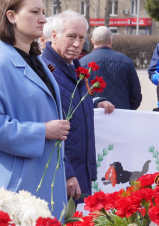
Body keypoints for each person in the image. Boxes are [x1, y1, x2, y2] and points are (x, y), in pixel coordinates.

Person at [0, 0, 70, 217]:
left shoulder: (35, 61)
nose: (43, 18)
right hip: (16, 189)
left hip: (39, 182)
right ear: (11, 16)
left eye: (43, 11)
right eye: (34, 11)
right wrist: (41, 131)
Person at [41, 11, 114, 203]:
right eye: (71, 36)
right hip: (62, 175)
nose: (77, 44)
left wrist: (95, 103)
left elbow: (68, 104)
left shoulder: (73, 67)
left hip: (78, 172)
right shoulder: (45, 72)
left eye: (81, 38)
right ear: (54, 35)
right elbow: (45, 127)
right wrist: (66, 172)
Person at [80, 26, 142, 110]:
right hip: (121, 115)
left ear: (92, 41)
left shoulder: (82, 63)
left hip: (94, 116)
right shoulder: (126, 61)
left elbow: (79, 94)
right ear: (110, 40)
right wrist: (127, 109)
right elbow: (136, 94)